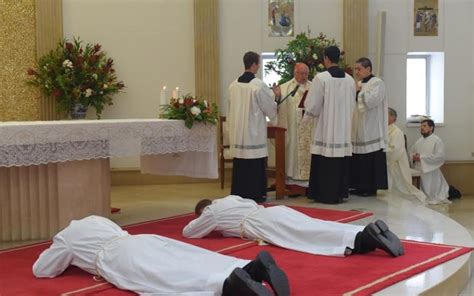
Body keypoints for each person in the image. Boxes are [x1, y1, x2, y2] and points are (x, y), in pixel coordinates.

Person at [33, 215, 290, 296]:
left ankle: (230, 285)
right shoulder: (94, 218)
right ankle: (251, 267)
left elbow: (42, 270)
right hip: (140, 239)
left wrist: (60, 247)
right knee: (190, 256)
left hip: (118, 258)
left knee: (169, 276)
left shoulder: (66, 237)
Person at [183, 195, 404, 258]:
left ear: (204, 210)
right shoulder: (232, 198)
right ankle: (364, 232)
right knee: (314, 225)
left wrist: (206, 219)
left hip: (260, 224)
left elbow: (190, 232)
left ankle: (364, 241)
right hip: (271, 212)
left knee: (307, 236)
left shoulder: (212, 212)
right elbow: (252, 204)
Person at [302, 46, 355, 204]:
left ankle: (324, 194)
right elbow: (352, 103)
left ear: (326, 58)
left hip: (326, 127)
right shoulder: (350, 79)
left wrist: (306, 117)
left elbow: (313, 105)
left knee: (325, 160)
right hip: (343, 128)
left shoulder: (321, 78)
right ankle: (339, 193)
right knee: (339, 161)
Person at [227, 51, 278, 203]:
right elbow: (268, 107)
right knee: (254, 164)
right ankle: (256, 194)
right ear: (254, 64)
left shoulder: (233, 85)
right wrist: (276, 96)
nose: (259, 66)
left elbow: (230, 109)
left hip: (239, 132)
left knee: (241, 165)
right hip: (253, 133)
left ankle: (239, 193)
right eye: (259, 63)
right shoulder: (258, 85)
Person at [350, 57, 388, 197]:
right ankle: (359, 186)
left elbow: (371, 101)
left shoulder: (377, 83)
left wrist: (357, 92)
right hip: (358, 127)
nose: (356, 72)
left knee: (370, 158)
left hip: (372, 128)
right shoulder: (359, 83)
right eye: (355, 69)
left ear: (368, 69)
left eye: (359, 69)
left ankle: (370, 188)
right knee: (359, 158)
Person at [275, 63, 313, 191]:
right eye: (301, 73)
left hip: (308, 127)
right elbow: (277, 105)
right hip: (292, 127)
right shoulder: (286, 88)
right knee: (292, 151)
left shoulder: (313, 87)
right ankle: (291, 179)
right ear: (294, 73)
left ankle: (309, 180)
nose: (304, 76)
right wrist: (276, 96)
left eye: (306, 74)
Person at [386, 108, 427, 203]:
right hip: (386, 165)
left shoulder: (397, 132)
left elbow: (395, 151)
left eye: (385, 114)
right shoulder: (382, 130)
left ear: (392, 118)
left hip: (396, 166)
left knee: (402, 191)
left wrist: (381, 152)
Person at [409, 119, 451, 205]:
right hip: (420, 169)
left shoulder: (437, 140)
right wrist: (413, 157)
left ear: (431, 128)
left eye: (424, 126)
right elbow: (411, 152)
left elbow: (440, 157)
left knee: (432, 193)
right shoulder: (419, 141)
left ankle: (434, 196)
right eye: (421, 126)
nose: (421, 128)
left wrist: (421, 158)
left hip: (431, 169)